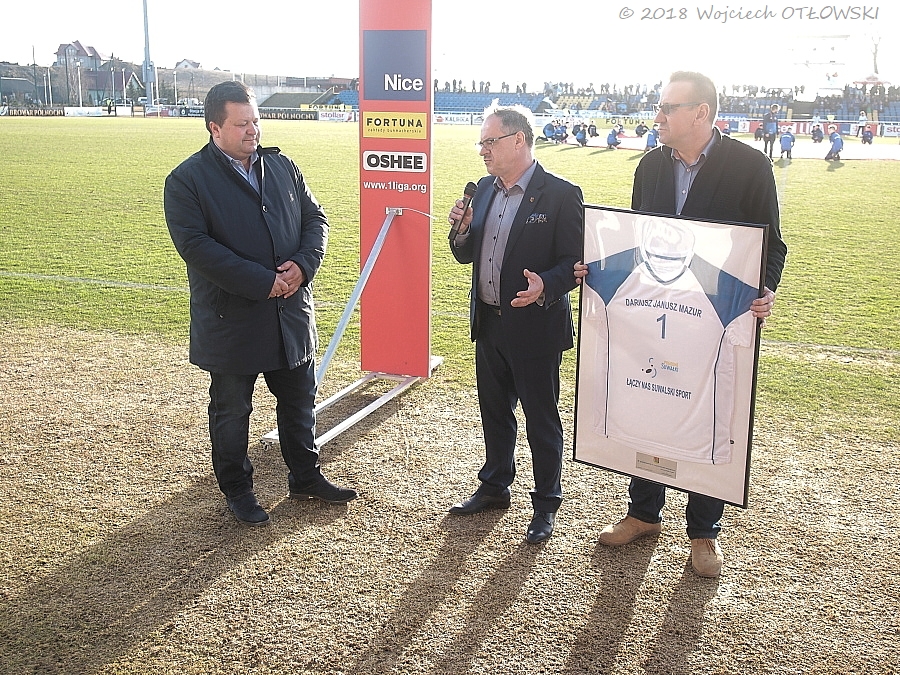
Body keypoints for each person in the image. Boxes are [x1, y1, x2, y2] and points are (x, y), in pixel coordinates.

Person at [575, 71, 787, 577]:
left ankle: (704, 532)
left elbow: (771, 244)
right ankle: (643, 513)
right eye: (659, 106)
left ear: (701, 113)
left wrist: (765, 290)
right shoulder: (650, 165)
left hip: (712, 319)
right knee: (650, 400)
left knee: (710, 411)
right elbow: (636, 237)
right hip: (651, 313)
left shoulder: (750, 166)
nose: (658, 116)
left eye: (668, 107)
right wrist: (600, 269)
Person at [164, 81, 357, 527]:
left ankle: (305, 476)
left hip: (290, 314)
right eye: (241, 124)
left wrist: (303, 266)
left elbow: (315, 219)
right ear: (214, 128)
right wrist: (263, 281)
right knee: (232, 412)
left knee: (299, 402)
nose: (253, 130)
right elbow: (196, 247)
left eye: (255, 120)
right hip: (233, 321)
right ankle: (238, 490)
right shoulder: (187, 180)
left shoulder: (282, 165)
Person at [446, 104, 583, 544]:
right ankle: (494, 485)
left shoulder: (561, 194)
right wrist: (462, 230)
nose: (482, 150)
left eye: (490, 141)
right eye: (481, 142)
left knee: (541, 419)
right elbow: (463, 253)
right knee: (494, 411)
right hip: (489, 323)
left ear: (519, 140)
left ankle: (546, 503)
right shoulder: (484, 189)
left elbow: (575, 262)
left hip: (535, 326)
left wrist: (546, 285)